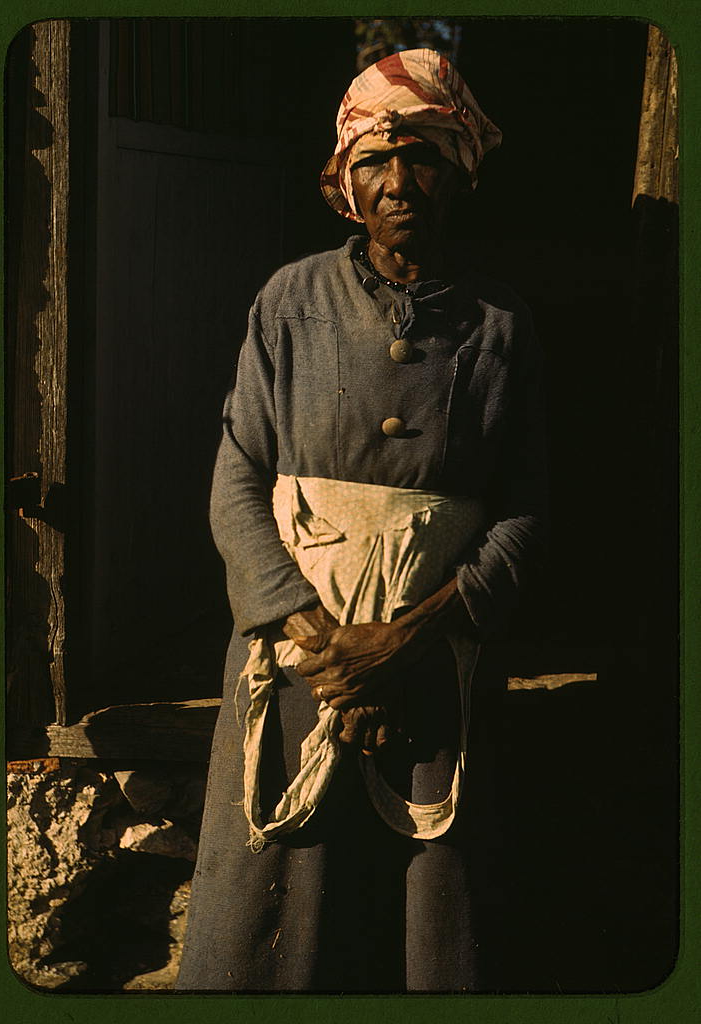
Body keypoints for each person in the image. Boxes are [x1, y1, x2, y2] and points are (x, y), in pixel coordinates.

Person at [177, 48, 546, 993]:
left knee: (427, 919)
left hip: (434, 666)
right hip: (298, 656)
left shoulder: (501, 328)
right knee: (276, 919)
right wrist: (323, 642)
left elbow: (527, 511)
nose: (397, 181)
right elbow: (237, 477)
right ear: (342, 182)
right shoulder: (290, 302)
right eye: (373, 161)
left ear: (459, 169)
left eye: (421, 154)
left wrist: (409, 641)